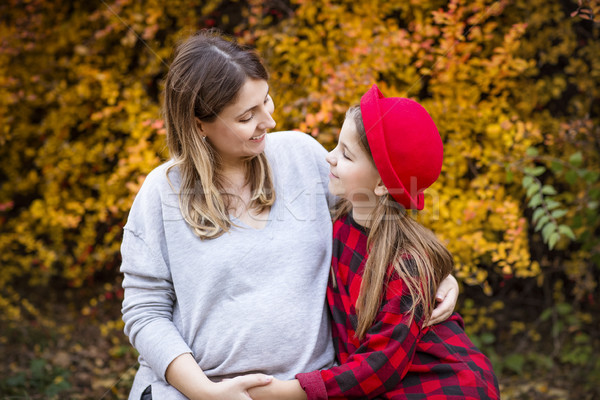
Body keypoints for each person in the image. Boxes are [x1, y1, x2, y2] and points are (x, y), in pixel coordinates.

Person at [120, 30, 459, 400]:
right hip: (194, 391)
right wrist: (205, 392)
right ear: (199, 124)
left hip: (307, 389)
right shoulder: (161, 193)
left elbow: (378, 217)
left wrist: (435, 273)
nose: (269, 120)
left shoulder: (301, 156)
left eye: (266, 100)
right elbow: (145, 312)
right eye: (248, 115)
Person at [248, 85, 500, 399]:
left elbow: (380, 366)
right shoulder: (337, 218)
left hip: (442, 385)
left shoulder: (404, 265)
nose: (329, 158)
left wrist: (291, 392)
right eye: (335, 146)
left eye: (346, 154)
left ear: (381, 184)